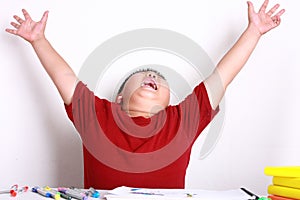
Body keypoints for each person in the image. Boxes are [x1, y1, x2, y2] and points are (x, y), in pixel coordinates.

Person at [6, 0, 285, 190]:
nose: (152, 77)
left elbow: (222, 75)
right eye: (142, 76)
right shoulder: (97, 116)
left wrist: (254, 32)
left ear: (168, 104)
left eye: (160, 80)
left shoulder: (181, 121)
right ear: (118, 99)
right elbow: (64, 77)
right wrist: (39, 41)